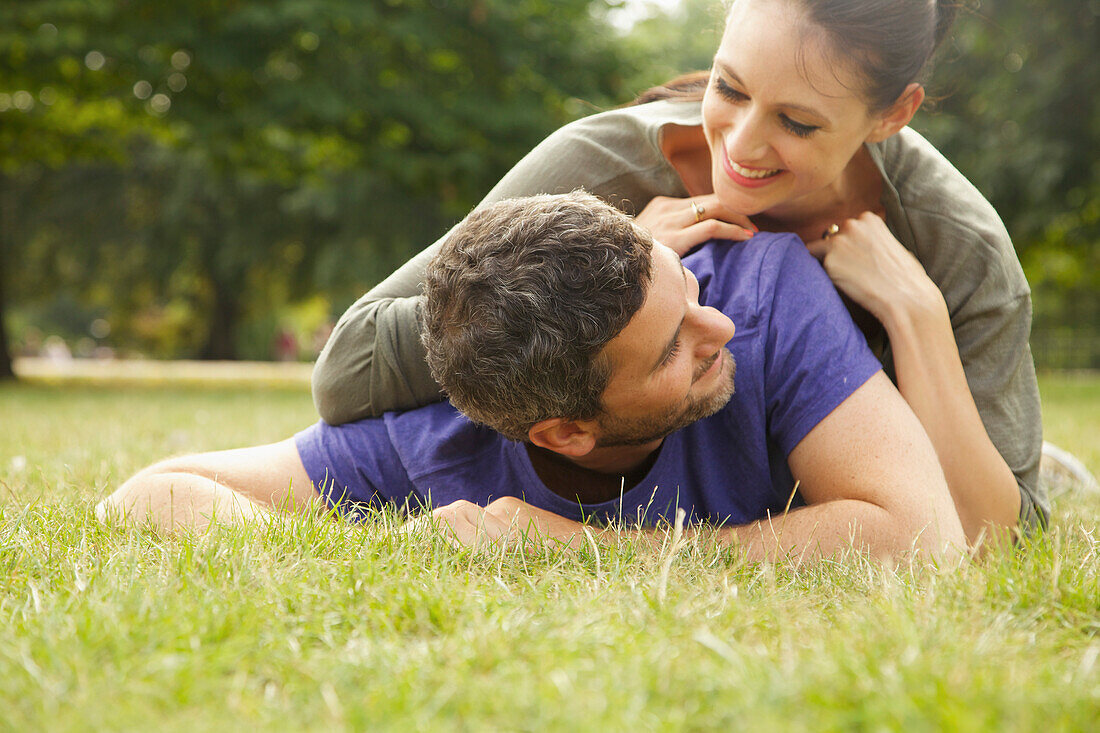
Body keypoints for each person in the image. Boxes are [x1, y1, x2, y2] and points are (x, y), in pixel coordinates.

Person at [311, 0, 1046, 546]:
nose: (742, 145)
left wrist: (915, 316)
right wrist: (619, 249)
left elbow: (994, 537)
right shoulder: (601, 167)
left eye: (798, 122)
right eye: (728, 88)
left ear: (894, 114)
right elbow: (348, 367)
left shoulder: (957, 244)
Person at [98, 192, 965, 563]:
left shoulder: (766, 289)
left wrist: (589, 551)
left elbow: (925, 535)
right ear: (562, 432)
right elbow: (149, 496)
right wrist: (408, 549)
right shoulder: (436, 442)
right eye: (670, 348)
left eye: (687, 288)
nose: (719, 328)